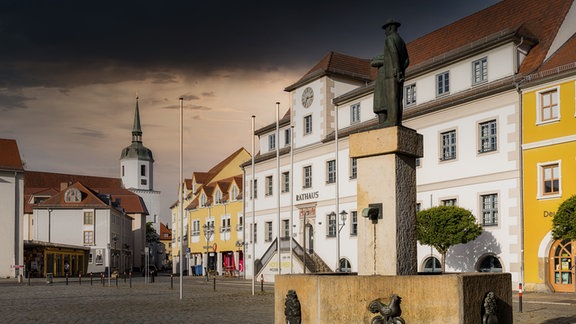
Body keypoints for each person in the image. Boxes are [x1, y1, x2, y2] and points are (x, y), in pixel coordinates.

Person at [372, 19, 409, 127]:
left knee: (391, 97)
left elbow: (393, 52)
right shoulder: (401, 41)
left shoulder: (389, 38)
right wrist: (401, 70)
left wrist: (395, 69)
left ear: (390, 28)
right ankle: (398, 121)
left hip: (391, 74)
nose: (385, 32)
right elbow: (407, 60)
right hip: (399, 73)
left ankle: (391, 121)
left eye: (385, 29)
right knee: (398, 98)